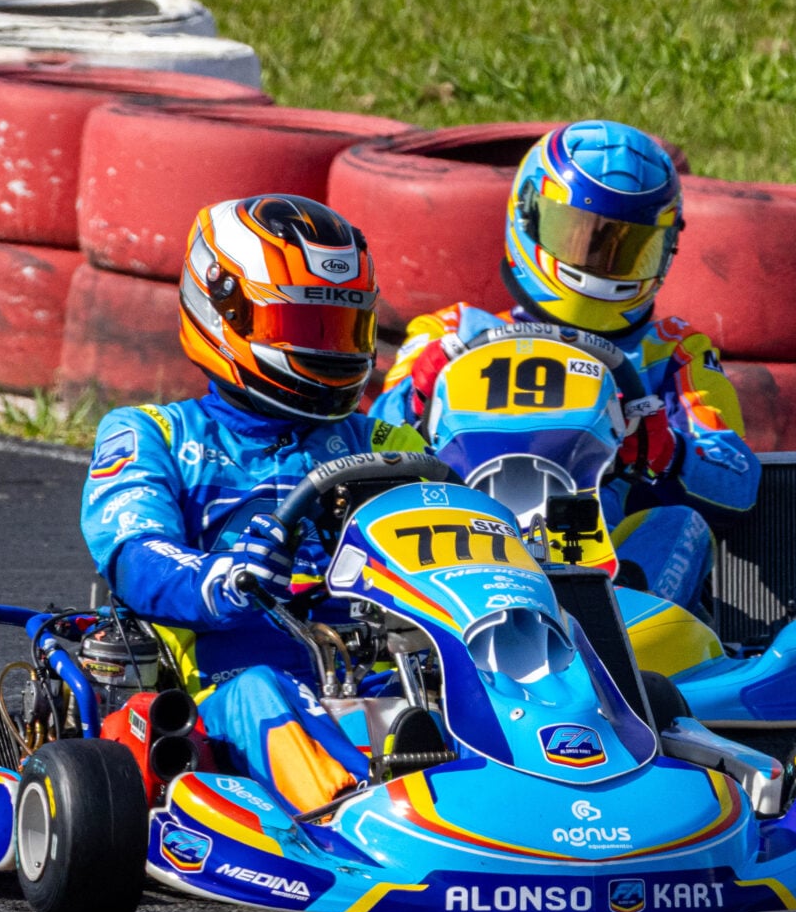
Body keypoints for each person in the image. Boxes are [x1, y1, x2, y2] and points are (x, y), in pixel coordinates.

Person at [79, 193, 425, 813]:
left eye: (342, 328)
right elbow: (134, 558)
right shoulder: (154, 434)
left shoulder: (387, 443)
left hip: (373, 674)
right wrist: (225, 578)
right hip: (220, 692)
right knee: (263, 689)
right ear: (223, 313)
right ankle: (361, 816)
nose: (329, 349)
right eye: (302, 328)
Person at [372, 120, 759, 606]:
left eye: (627, 248)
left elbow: (738, 477)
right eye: (582, 236)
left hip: (610, 566)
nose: (601, 261)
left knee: (682, 525)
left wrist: (670, 452)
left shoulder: (674, 352)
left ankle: (629, 651)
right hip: (458, 550)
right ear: (530, 216)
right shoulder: (448, 336)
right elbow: (369, 443)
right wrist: (414, 400)